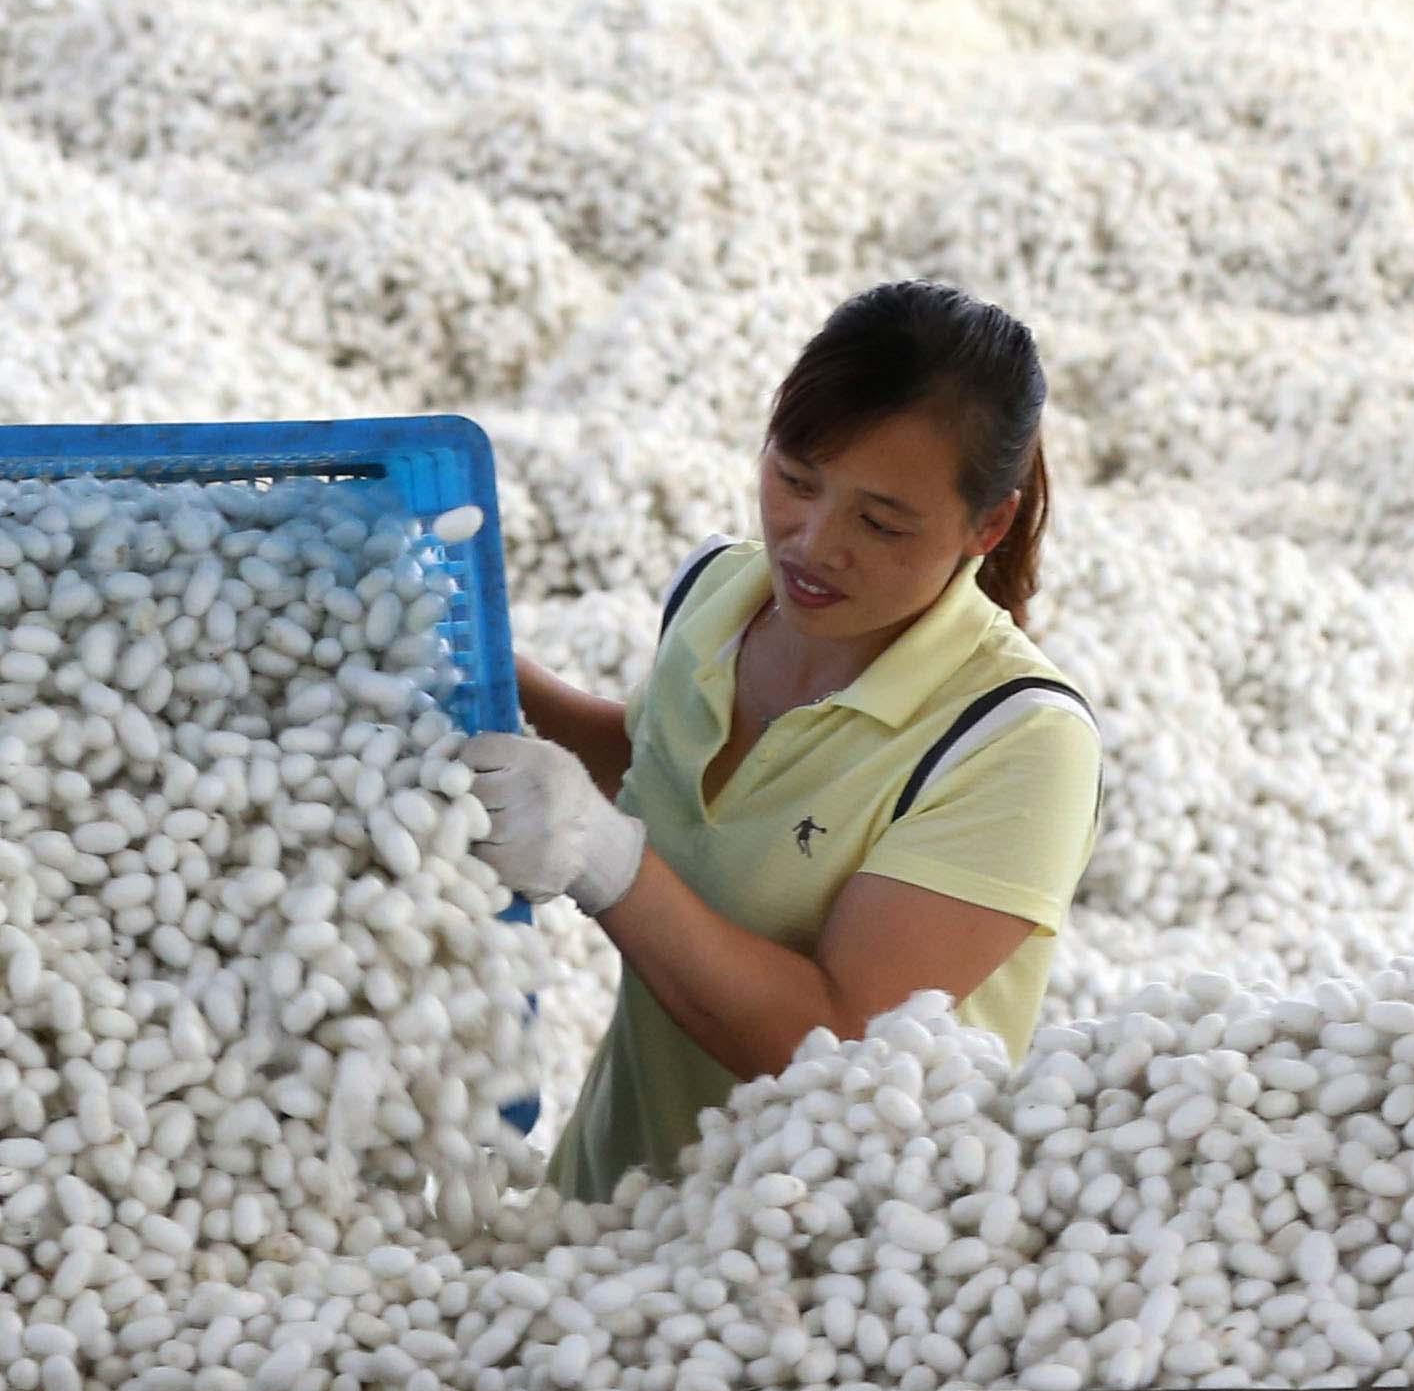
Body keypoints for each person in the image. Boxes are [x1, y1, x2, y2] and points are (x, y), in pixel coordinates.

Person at [468, 280, 1102, 1199]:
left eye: (880, 522)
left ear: (988, 524)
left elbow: (841, 1046)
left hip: (821, 1268)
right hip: (608, 1214)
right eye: (795, 478)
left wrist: (600, 856)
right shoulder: (720, 596)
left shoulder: (1015, 743)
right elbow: (665, 778)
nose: (812, 542)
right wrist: (490, 675)